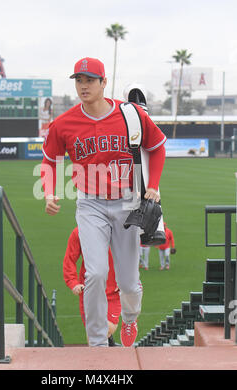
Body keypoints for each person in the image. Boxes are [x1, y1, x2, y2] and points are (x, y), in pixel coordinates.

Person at [41, 57, 166, 347]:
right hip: (90, 205)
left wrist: (154, 186)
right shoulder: (65, 123)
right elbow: (49, 159)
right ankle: (97, 343)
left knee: (128, 283)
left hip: (127, 203)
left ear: (103, 83)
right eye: (78, 81)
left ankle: (130, 319)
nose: (83, 86)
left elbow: (157, 148)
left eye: (89, 80)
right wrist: (49, 191)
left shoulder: (130, 115)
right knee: (95, 272)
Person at [63, 227, 121, 346]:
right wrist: (73, 282)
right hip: (90, 291)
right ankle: (98, 361)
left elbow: (129, 256)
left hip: (113, 292)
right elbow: (70, 259)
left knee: (108, 328)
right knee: (94, 334)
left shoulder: (118, 229)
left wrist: (126, 281)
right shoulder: (80, 231)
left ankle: (108, 343)